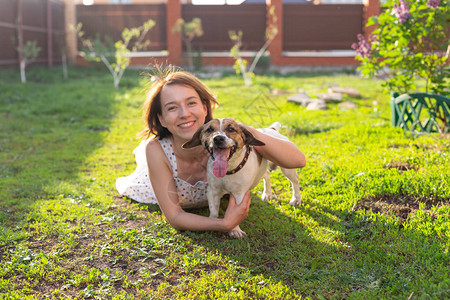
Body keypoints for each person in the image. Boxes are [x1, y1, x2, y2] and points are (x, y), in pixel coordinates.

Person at [116, 68, 306, 234]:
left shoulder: (225, 140)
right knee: (145, 153)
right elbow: (174, 216)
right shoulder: (157, 150)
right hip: (156, 167)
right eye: (172, 108)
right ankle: (139, 152)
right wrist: (223, 224)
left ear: (204, 108)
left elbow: (298, 160)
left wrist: (249, 130)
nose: (184, 113)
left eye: (191, 103)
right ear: (162, 119)